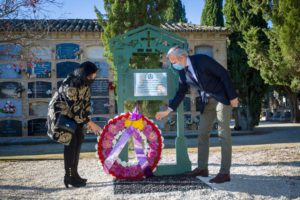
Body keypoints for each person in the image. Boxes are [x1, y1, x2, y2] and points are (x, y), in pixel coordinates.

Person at [155, 46, 239, 184]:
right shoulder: (182, 72)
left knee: (223, 133)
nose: (172, 64)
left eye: (173, 61)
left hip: (222, 98)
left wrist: (233, 96)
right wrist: (168, 110)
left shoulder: (202, 60)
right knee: (202, 133)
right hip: (207, 102)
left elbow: (223, 73)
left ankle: (224, 173)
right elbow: (181, 92)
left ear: (181, 57)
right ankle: (202, 168)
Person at [47, 61, 102, 188]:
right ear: (84, 74)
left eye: (94, 76)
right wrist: (90, 123)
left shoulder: (86, 84)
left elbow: (86, 103)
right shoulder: (70, 84)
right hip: (62, 115)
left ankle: (75, 174)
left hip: (76, 116)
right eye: (91, 76)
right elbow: (74, 108)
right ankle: (68, 176)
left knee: (79, 139)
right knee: (71, 142)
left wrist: (87, 118)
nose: (93, 78)